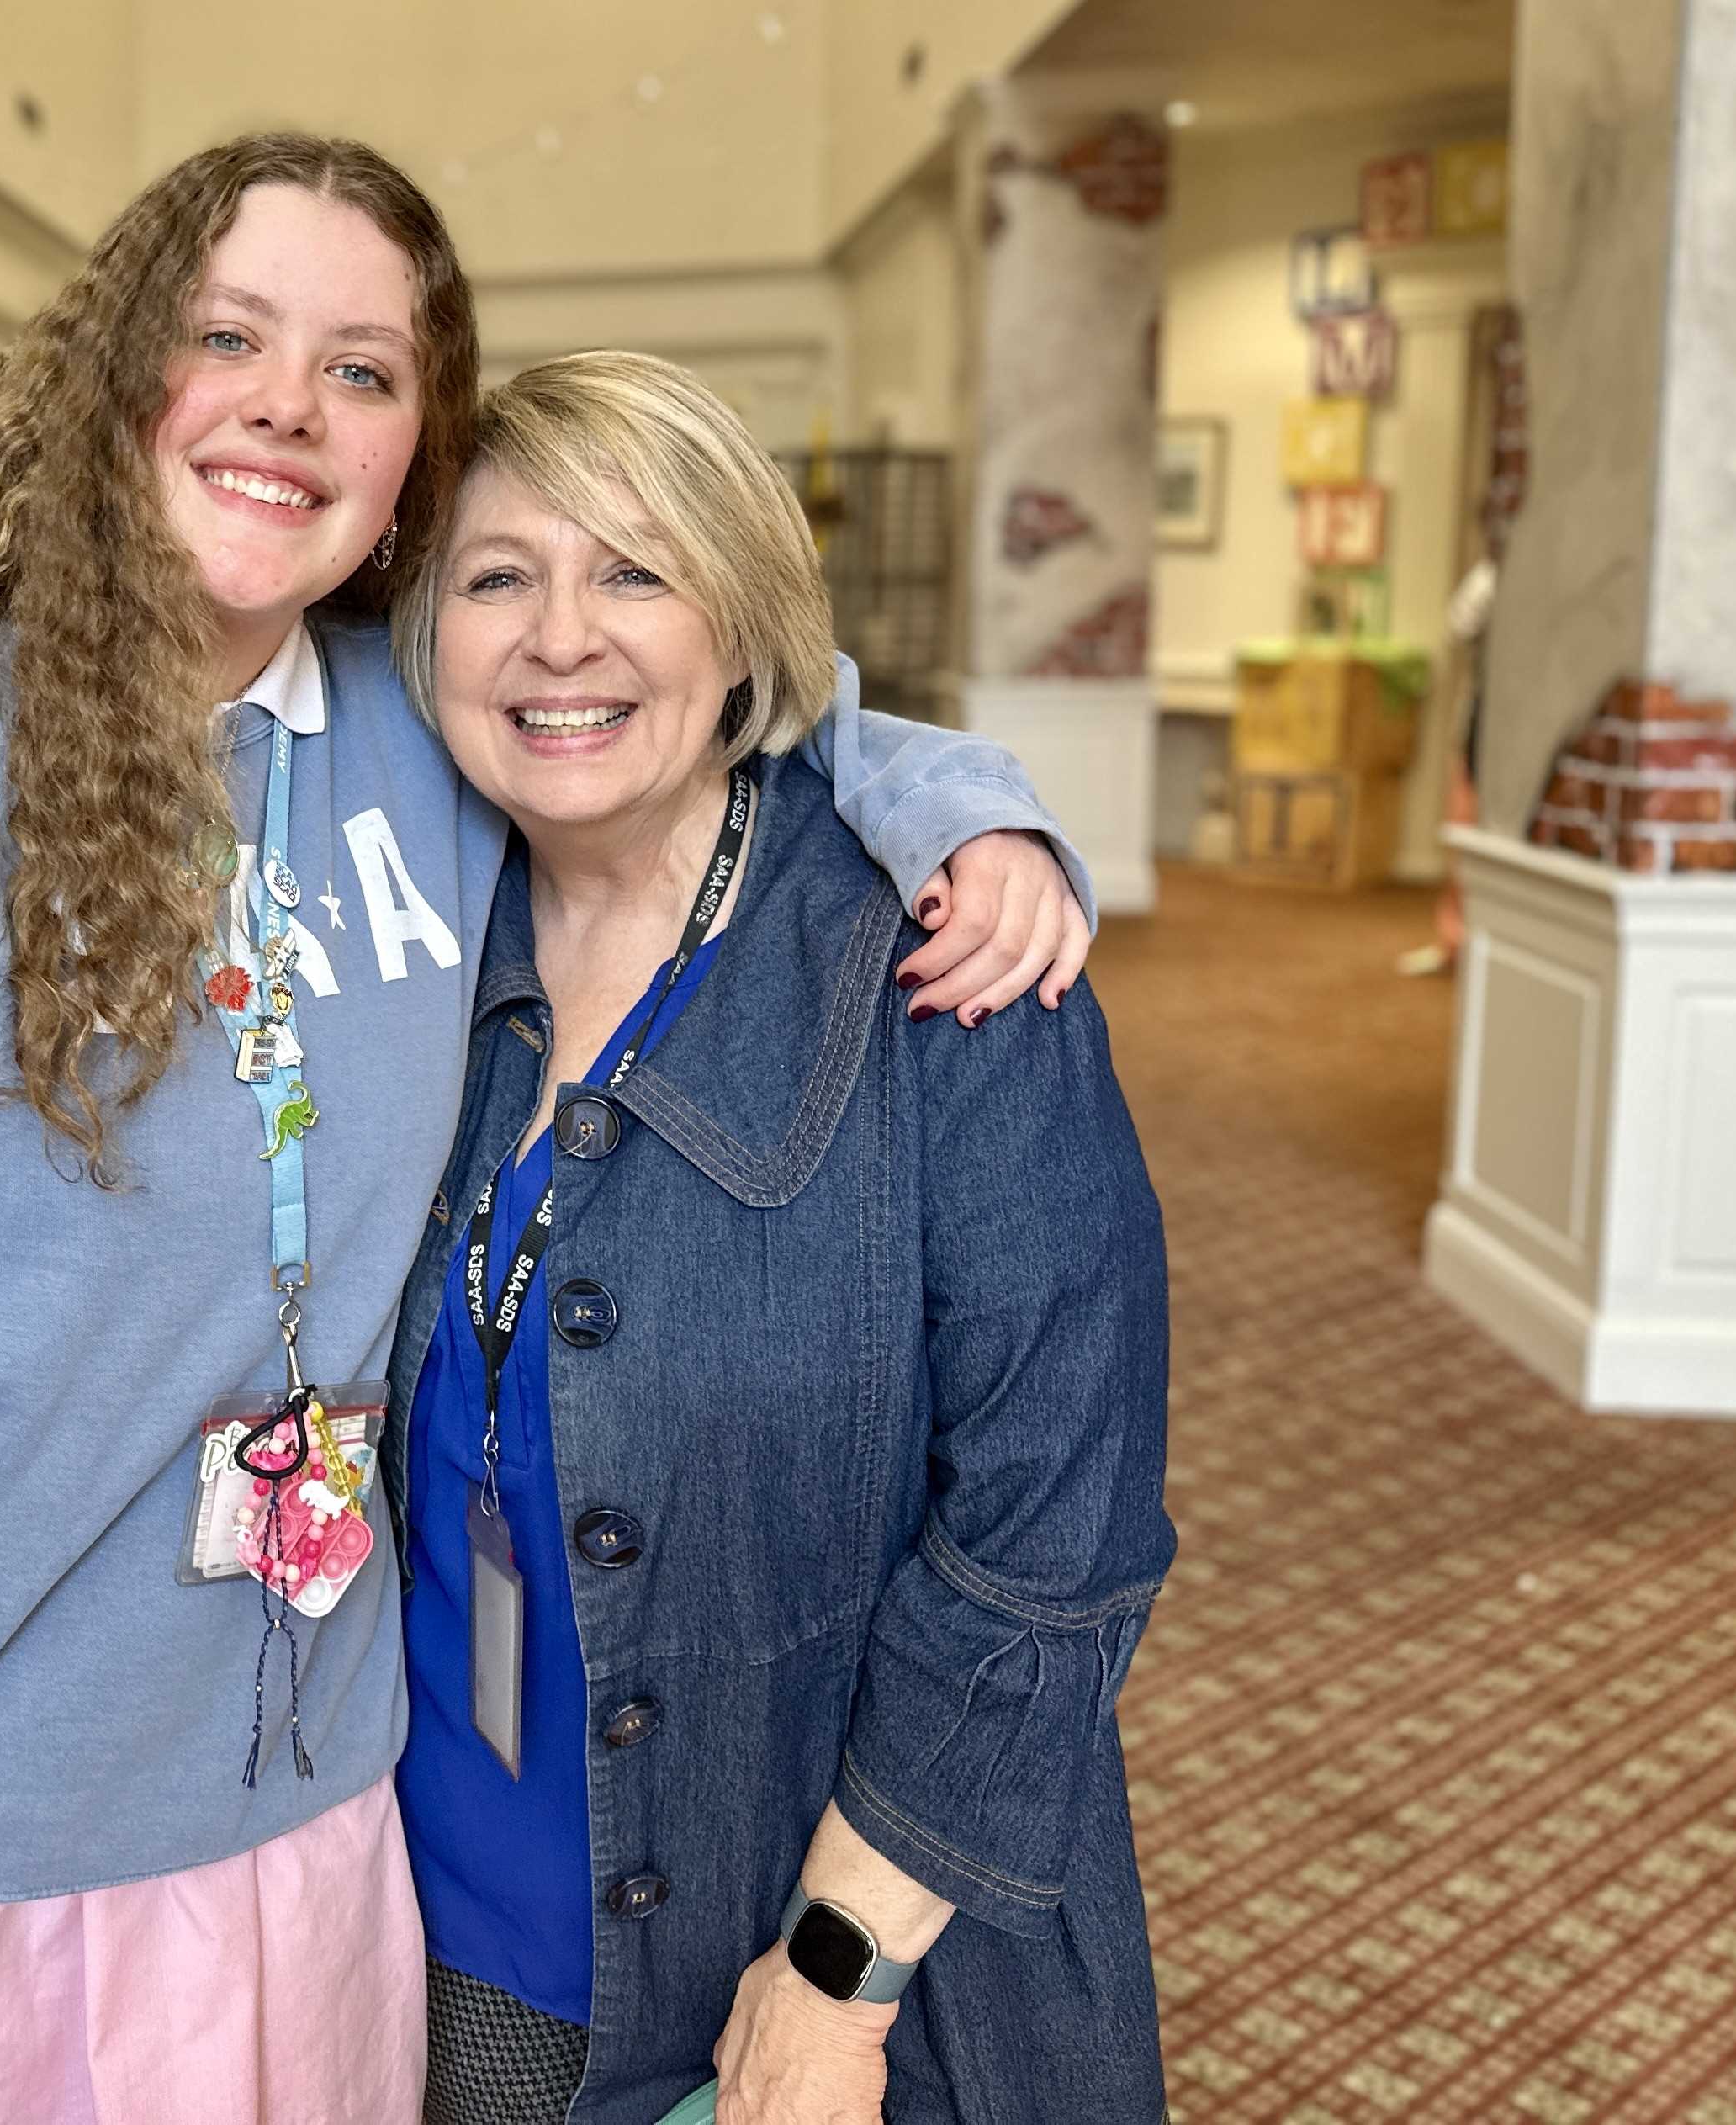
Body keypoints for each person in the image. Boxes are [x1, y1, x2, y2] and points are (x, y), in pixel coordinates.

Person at [0, 136, 1097, 2125]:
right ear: (108, 380)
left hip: (305, 1835)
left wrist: (956, 799)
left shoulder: (426, 742)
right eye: (225, 338)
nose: (286, 404)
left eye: (359, 369)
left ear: (407, 469)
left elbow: (701, 684)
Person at [388, 351, 1172, 2125]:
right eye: (497, 577)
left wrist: (835, 1978)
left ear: (742, 625)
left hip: (833, 1969)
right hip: (452, 1936)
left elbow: (1059, 1534)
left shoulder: (944, 963)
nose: (559, 638)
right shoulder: (403, 948)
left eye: (634, 572)